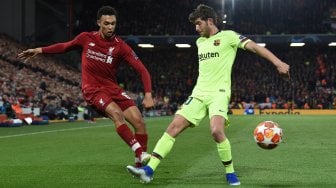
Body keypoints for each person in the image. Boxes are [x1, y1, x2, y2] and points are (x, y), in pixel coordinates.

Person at [126, 4, 290, 186]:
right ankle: (148, 171)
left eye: (198, 24)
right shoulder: (200, 42)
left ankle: (230, 173)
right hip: (198, 93)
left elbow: (255, 48)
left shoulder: (229, 37)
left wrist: (278, 62)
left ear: (209, 21)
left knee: (216, 131)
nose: (196, 29)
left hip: (219, 93)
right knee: (173, 127)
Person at [18, 6, 154, 167]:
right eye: (106, 23)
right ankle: (140, 153)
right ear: (99, 23)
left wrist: (148, 95)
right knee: (117, 114)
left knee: (139, 122)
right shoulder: (86, 38)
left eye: (113, 24)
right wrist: (40, 50)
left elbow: (142, 70)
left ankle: (140, 169)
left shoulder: (120, 46)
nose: (110, 27)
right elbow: (64, 47)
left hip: (112, 88)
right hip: (93, 90)